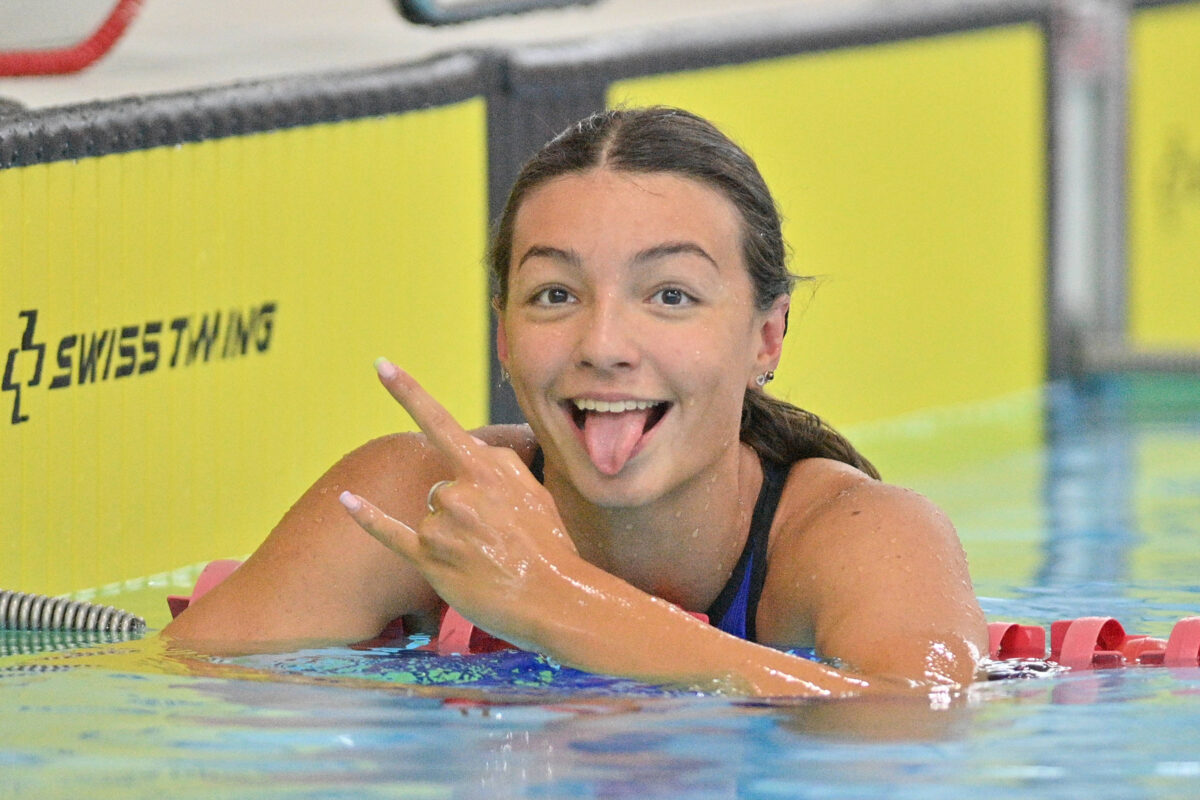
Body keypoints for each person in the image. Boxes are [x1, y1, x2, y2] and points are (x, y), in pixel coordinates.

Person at [164, 106, 988, 697]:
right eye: (555, 295)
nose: (602, 345)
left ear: (766, 338)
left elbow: (917, 719)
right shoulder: (414, 502)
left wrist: (557, 600)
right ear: (503, 335)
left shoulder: (862, 536)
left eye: (669, 295)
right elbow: (169, 700)